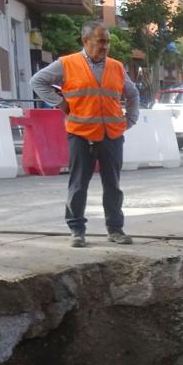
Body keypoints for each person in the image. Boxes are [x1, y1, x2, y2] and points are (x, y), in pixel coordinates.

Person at [31, 21, 139, 248]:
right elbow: (37, 81)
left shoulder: (116, 67)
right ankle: (77, 230)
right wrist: (59, 102)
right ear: (85, 41)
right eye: (101, 41)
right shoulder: (67, 64)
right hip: (81, 134)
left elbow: (132, 94)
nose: (105, 46)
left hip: (111, 135)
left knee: (113, 185)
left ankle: (115, 229)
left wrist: (130, 119)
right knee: (79, 184)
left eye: (107, 41)